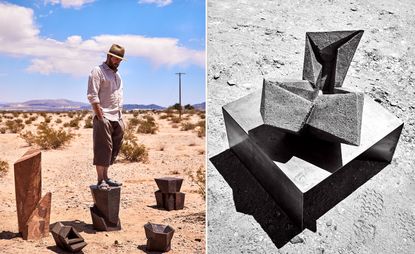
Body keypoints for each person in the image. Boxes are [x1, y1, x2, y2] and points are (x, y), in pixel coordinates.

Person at [87, 44, 126, 190]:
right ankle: (100, 180)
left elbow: (118, 96)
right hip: (103, 116)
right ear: (109, 56)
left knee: (113, 148)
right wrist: (100, 115)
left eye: (120, 60)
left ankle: (107, 177)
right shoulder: (98, 71)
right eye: (116, 59)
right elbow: (92, 94)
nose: (118, 62)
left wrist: (121, 117)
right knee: (103, 148)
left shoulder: (117, 75)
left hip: (117, 116)